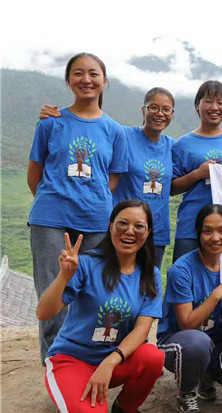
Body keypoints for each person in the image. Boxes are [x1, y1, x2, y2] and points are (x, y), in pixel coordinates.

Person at [28, 52, 128, 365]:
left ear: (104, 81)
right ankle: (55, 367)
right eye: (79, 73)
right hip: (50, 220)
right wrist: (55, 200)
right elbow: (35, 174)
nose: (86, 79)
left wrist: (88, 199)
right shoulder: (50, 123)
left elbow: (111, 180)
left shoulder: (114, 131)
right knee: (53, 293)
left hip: (95, 222)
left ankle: (85, 363)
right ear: (68, 80)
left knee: (93, 294)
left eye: (93, 74)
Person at [37, 200, 164, 413]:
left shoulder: (150, 274)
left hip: (115, 359)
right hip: (73, 359)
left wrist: (110, 361)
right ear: (110, 226)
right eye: (123, 223)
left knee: (152, 357)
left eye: (139, 226)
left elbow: (142, 330)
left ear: (148, 232)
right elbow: (43, 313)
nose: (130, 231)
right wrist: (64, 276)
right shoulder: (86, 264)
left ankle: (125, 408)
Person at [38, 87, 177, 268]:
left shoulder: (173, 147)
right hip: (122, 228)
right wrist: (58, 116)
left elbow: (178, 180)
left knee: (149, 282)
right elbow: (92, 127)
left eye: (166, 109)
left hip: (155, 232)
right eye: (154, 107)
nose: (160, 113)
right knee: (110, 279)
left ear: (172, 114)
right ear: (144, 110)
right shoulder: (122, 134)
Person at [157, 204, 222, 413]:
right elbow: (187, 324)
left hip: (215, 343)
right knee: (198, 342)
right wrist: (216, 295)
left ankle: (205, 376)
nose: (215, 238)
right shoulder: (182, 270)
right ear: (198, 233)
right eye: (207, 231)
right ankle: (186, 392)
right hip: (179, 343)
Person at [171, 81, 222, 263]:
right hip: (191, 227)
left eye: (220, 102)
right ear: (197, 105)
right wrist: (198, 174)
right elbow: (171, 188)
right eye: (208, 101)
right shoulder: (183, 143)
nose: (214, 107)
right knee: (184, 275)